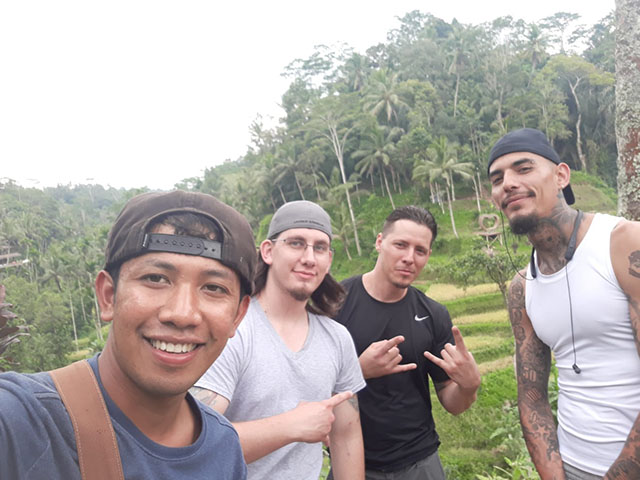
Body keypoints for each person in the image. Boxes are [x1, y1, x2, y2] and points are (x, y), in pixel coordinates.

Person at [0, 190, 258, 479]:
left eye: (213, 288)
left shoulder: (223, 448)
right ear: (108, 296)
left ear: (237, 316)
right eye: (155, 278)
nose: (182, 314)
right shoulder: (20, 423)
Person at [488, 128, 640, 479]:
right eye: (497, 179)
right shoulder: (522, 287)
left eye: (523, 168)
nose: (508, 183)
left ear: (561, 176)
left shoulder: (623, 244)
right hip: (572, 467)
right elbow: (532, 398)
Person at [192, 200, 366, 479]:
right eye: (296, 243)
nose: (309, 258)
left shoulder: (337, 338)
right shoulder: (234, 332)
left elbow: (346, 436)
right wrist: (290, 426)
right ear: (268, 251)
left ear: (329, 260)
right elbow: (193, 444)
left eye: (320, 247)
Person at [335, 205, 481, 479]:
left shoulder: (433, 314)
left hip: (420, 461)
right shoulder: (336, 303)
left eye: (420, 251)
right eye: (400, 245)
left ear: (428, 255)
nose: (409, 258)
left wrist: (469, 386)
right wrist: (358, 371)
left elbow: (452, 402)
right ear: (380, 242)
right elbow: (306, 389)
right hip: (352, 461)